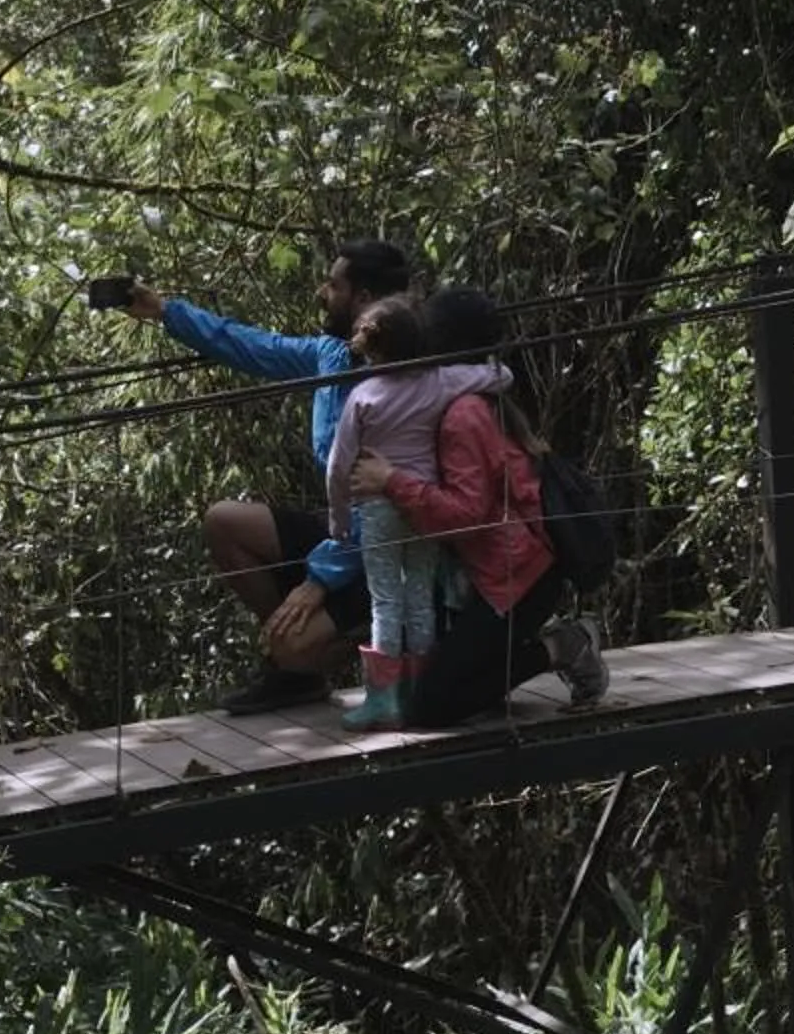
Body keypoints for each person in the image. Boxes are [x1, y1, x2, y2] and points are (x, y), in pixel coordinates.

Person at [114, 239, 416, 714]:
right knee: (224, 522)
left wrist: (317, 582)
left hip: (388, 550)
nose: (322, 292)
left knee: (290, 646)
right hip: (343, 533)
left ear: (362, 299)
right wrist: (164, 311)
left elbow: (388, 509)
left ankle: (311, 657)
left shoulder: (408, 380)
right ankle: (298, 669)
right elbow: (251, 346)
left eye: (333, 284)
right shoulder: (332, 356)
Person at [343, 286, 608, 724]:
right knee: (444, 686)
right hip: (511, 572)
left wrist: (391, 481)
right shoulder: (471, 396)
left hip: (519, 577)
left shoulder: (462, 413)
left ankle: (565, 645)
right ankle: (512, 660)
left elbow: (464, 518)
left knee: (432, 707)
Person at [324, 293, 512, 731]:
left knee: (386, 599)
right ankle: (419, 689)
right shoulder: (440, 381)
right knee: (421, 597)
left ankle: (383, 698)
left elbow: (339, 464)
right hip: (424, 502)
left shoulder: (363, 398)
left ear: (372, 347)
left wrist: (338, 518)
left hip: (378, 508)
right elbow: (501, 375)